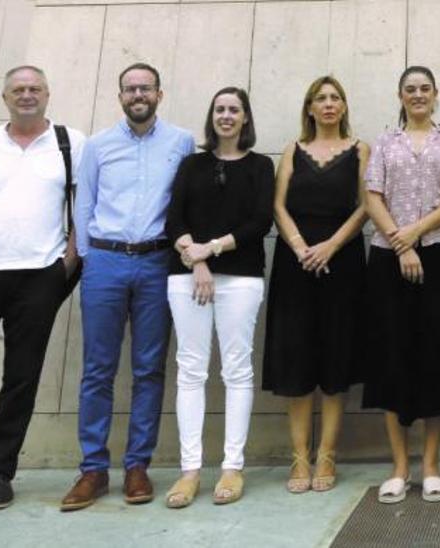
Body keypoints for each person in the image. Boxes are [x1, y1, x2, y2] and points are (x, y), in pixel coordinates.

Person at [0, 65, 84, 511]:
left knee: (21, 380)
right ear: (5, 97)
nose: (27, 95)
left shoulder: (70, 142)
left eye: (35, 89)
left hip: (39, 276)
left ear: (48, 94)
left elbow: (86, 204)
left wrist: (70, 259)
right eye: (18, 90)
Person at [62, 63, 195, 511]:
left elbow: (185, 202)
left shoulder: (181, 142)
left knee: (148, 368)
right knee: (98, 368)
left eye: (145, 88)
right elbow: (84, 203)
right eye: (130, 89)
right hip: (106, 262)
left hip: (157, 262)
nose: (138, 94)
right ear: (121, 96)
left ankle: (138, 465)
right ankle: (93, 469)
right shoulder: (98, 145)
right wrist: (88, 256)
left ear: (159, 93)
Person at [363, 66, 440, 504]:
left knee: (437, 356)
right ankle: (399, 467)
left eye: (425, 89)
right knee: (392, 355)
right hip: (389, 259)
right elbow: (372, 196)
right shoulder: (386, 142)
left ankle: (431, 465)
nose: (418, 95)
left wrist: (417, 233)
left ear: (436, 93)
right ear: (400, 94)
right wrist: (400, 240)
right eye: (410, 89)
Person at [162, 87, 273, 508]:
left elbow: (260, 221)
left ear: (245, 118)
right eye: (220, 109)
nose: (226, 116)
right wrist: (198, 260)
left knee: (237, 370)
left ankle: (231, 466)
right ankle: (190, 471)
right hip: (188, 276)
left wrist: (212, 249)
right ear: (212, 117)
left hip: (241, 279)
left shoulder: (261, 166)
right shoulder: (191, 164)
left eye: (234, 110)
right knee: (190, 369)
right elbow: (174, 218)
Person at [263, 75, 369, 494]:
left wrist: (330, 246)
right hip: (296, 261)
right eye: (320, 98)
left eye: (335, 98)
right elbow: (277, 204)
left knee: (335, 355)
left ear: (343, 107)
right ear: (309, 108)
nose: (328, 104)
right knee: (297, 356)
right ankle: (298, 457)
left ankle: (327, 454)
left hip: (342, 261)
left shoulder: (361, 150)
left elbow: (366, 206)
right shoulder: (293, 150)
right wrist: (300, 246)